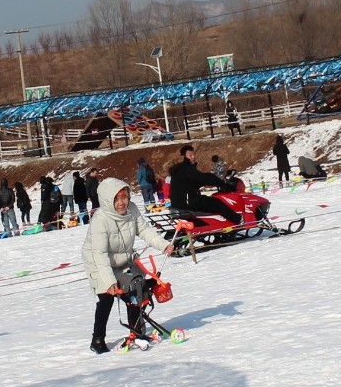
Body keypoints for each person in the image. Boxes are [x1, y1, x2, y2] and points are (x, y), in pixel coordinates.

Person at [81, 177, 174, 354]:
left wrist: (164, 245)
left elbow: (145, 230)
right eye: (117, 199)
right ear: (108, 200)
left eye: (124, 197)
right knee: (106, 298)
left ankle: (137, 332)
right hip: (98, 261)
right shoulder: (100, 219)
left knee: (137, 289)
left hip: (124, 259)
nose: (122, 202)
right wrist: (109, 281)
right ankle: (97, 339)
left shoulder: (131, 209)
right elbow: (99, 254)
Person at [168, 144, 240, 226]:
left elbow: (196, 181)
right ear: (184, 156)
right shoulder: (187, 169)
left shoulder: (180, 170)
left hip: (179, 202)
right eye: (190, 155)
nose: (193, 157)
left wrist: (211, 178)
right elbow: (203, 178)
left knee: (209, 201)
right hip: (188, 202)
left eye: (193, 154)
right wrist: (224, 184)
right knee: (217, 203)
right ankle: (238, 220)